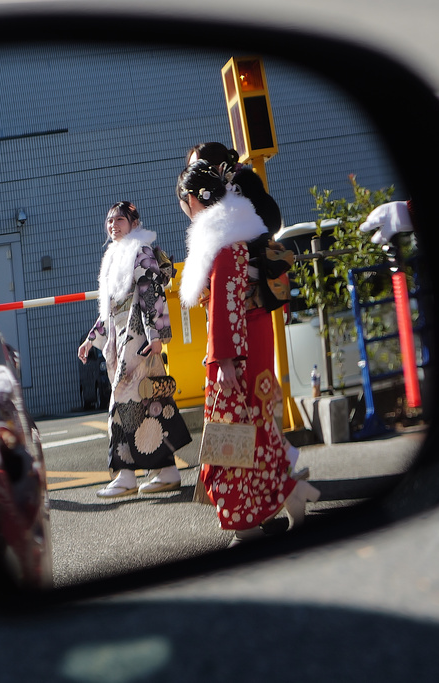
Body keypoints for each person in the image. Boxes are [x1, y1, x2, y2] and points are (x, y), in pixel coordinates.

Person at [177, 162, 319, 543]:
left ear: (193, 200)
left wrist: (224, 361)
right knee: (259, 430)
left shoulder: (222, 245)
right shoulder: (246, 233)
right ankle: (291, 492)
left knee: (229, 441)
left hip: (233, 353)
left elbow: (225, 308)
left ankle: (246, 524)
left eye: (185, 203)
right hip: (256, 342)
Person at [186, 142, 305, 477]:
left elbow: (224, 298)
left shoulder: (227, 236)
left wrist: (222, 356)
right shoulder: (234, 216)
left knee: (243, 409)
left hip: (242, 322)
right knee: (257, 405)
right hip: (252, 317)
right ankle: (276, 478)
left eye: (199, 170)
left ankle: (251, 491)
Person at [78, 201, 193, 498]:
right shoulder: (115, 255)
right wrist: (92, 339)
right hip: (123, 336)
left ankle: (125, 475)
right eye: (109, 221)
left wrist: (156, 335)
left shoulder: (140, 251)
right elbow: (110, 308)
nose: (113, 225)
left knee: (122, 402)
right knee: (147, 403)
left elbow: (151, 292)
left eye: (120, 220)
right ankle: (166, 471)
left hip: (138, 338)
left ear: (134, 223)